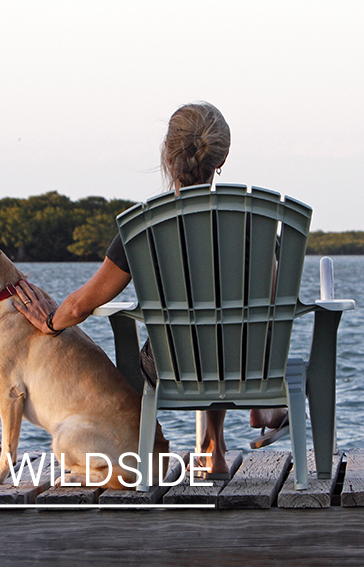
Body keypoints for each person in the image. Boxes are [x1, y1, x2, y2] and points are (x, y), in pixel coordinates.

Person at [14, 102, 287, 475]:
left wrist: (49, 321)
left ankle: (169, 447)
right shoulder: (253, 222)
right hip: (245, 366)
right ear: (220, 161)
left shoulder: (145, 226)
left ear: (168, 156)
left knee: (177, 341)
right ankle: (220, 442)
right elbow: (272, 301)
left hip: (173, 367)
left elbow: (83, 305)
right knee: (224, 328)